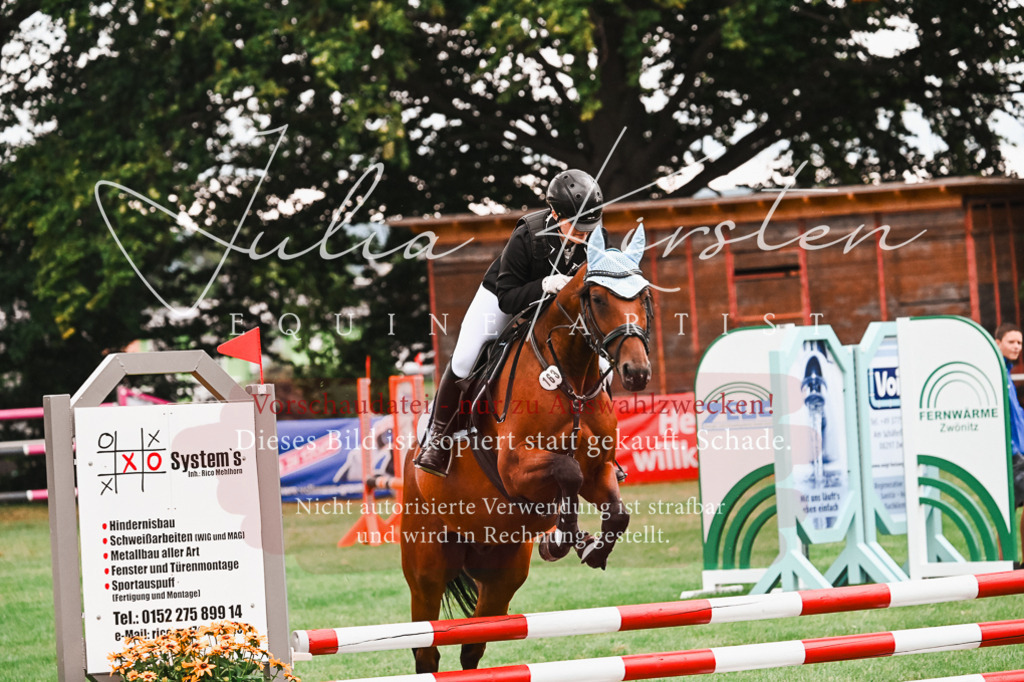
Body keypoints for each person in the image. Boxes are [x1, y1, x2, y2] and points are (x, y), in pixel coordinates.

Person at [414, 169, 605, 477]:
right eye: (577, 225)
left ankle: (602, 451)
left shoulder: (595, 233)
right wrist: (545, 284)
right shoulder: (527, 235)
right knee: (465, 356)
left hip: (559, 310)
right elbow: (508, 297)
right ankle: (438, 437)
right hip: (505, 296)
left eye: (589, 226)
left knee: (594, 354)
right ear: (556, 213)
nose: (585, 233)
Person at [994, 322, 1024, 566]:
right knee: (1006, 510)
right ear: (997, 343)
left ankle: (1010, 564)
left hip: (1019, 453)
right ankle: (1004, 565)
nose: (1017, 346)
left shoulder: (1007, 373)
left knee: (1010, 509)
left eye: (1020, 342)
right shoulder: (994, 373)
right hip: (1007, 454)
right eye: (1012, 341)